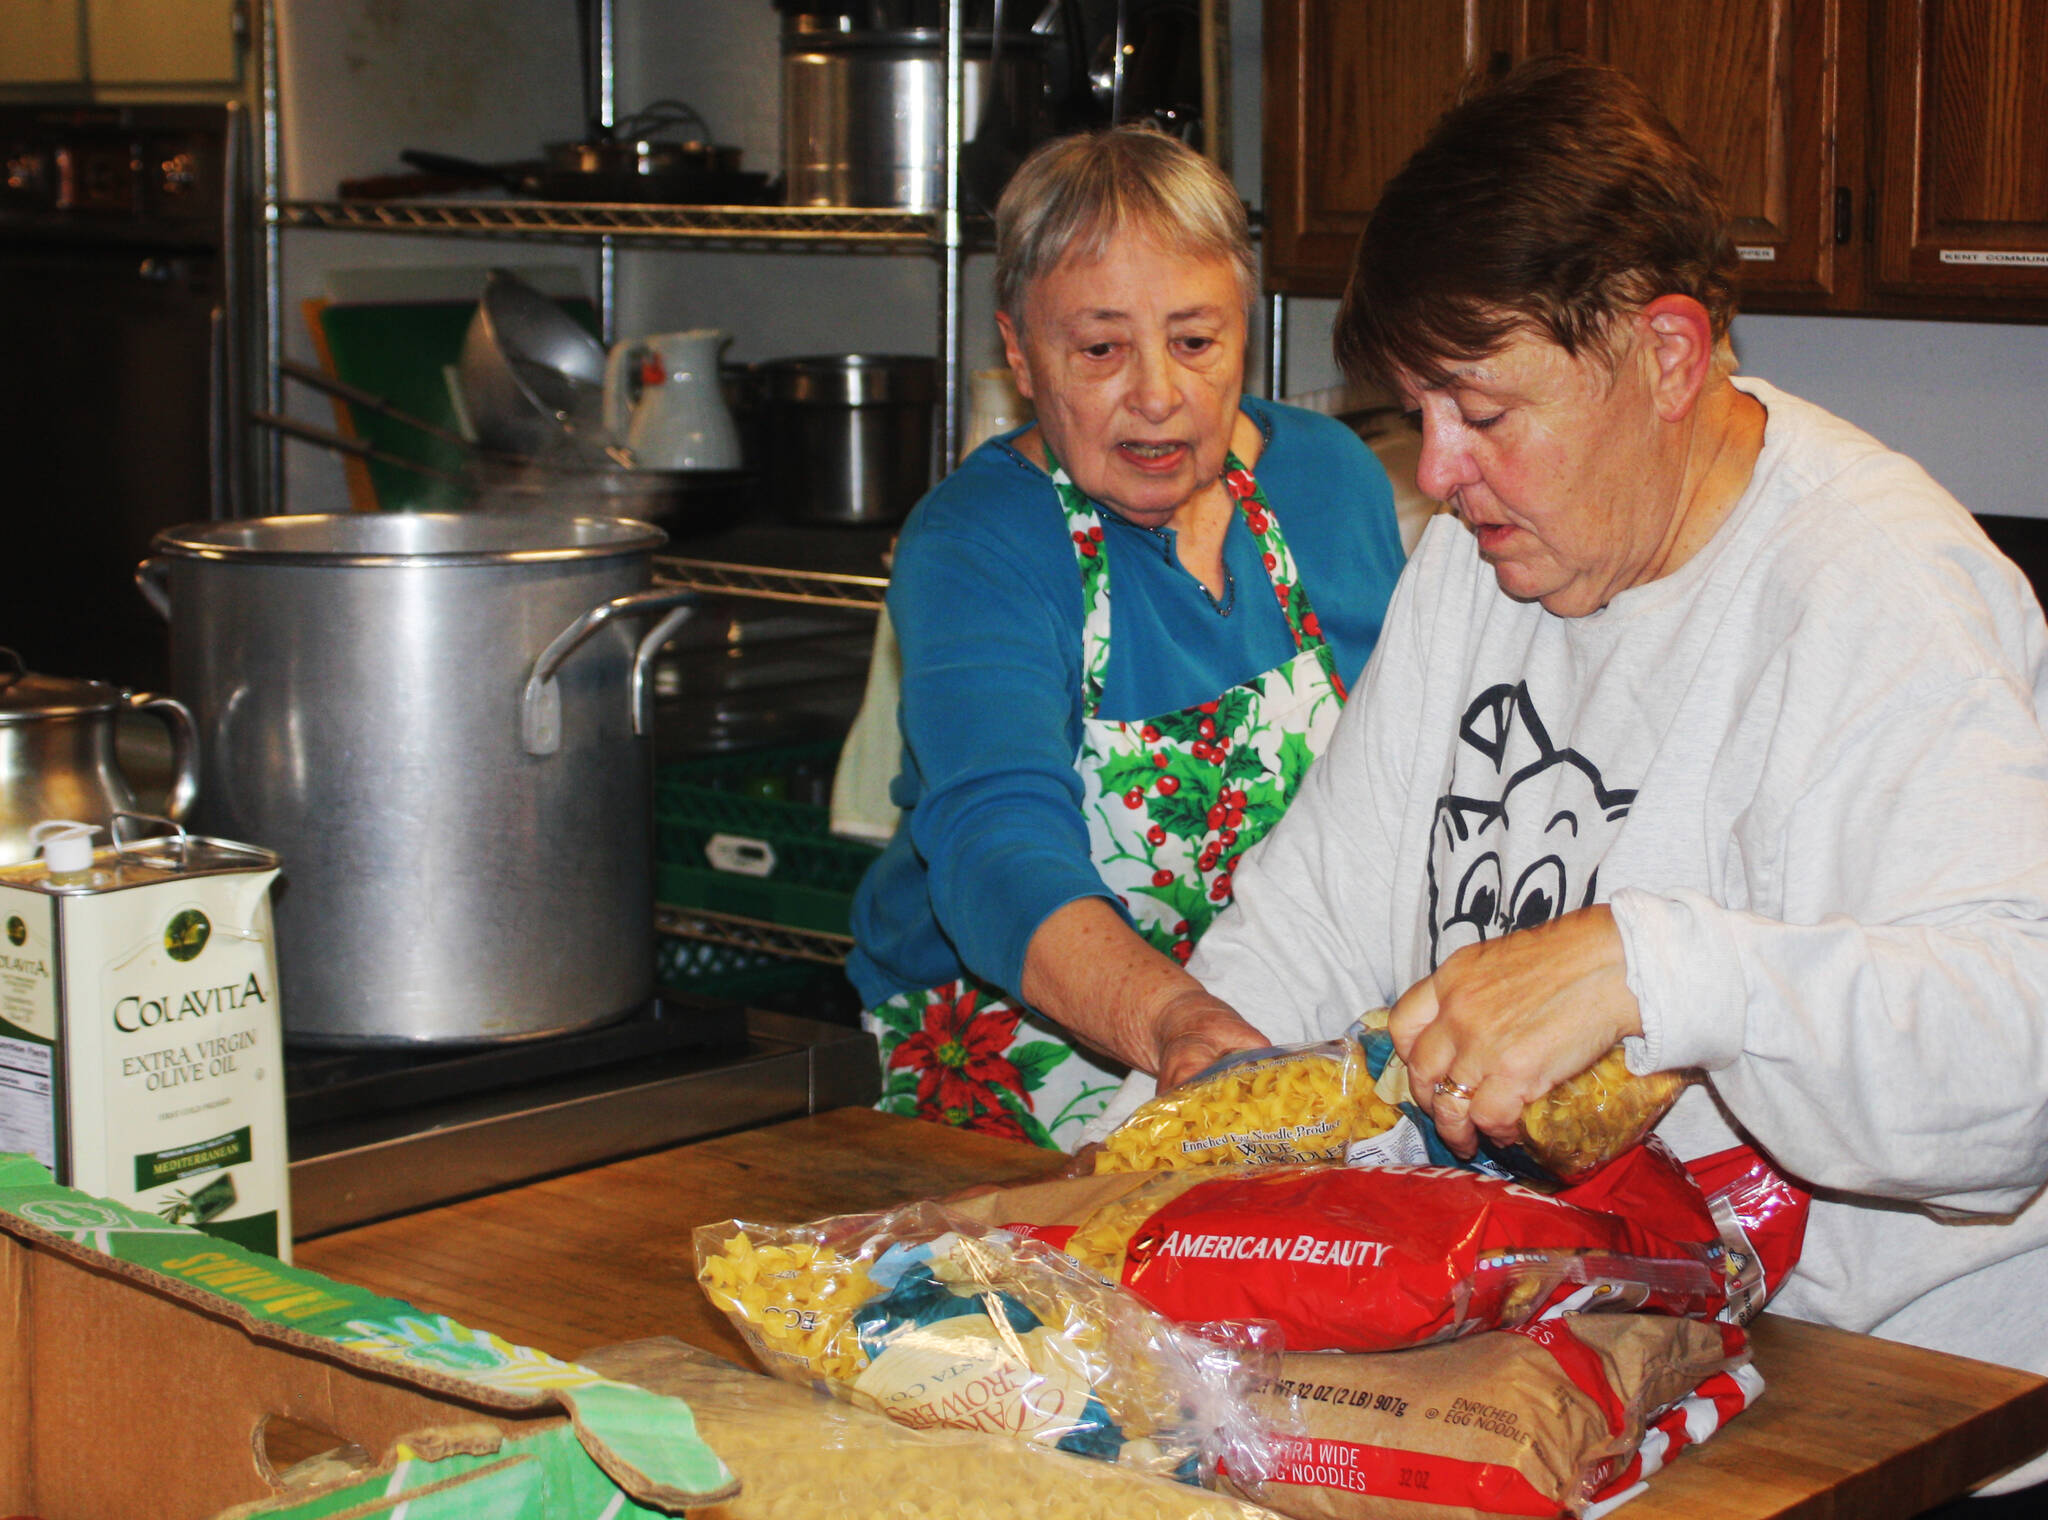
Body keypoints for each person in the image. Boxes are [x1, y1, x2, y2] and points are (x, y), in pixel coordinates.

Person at [1087, 57, 2048, 1502]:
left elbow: (2010, 1072)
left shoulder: (1879, 589)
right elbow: (1325, 917)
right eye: (1420, 411)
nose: (1442, 467)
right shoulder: (1487, 567)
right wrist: (1127, 1176)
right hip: (1583, 1368)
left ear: (1665, 357)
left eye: (1482, 408)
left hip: (1892, 1420)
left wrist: (1643, 965)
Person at [848, 125, 1407, 1148]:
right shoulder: (980, 542)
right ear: (1017, 350)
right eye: (1099, 349)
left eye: (1195, 342)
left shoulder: (1328, 481)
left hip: (1276, 1028)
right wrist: (1174, 1019)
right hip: (1014, 1050)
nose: (1155, 393)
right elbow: (992, 844)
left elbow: (1404, 789)